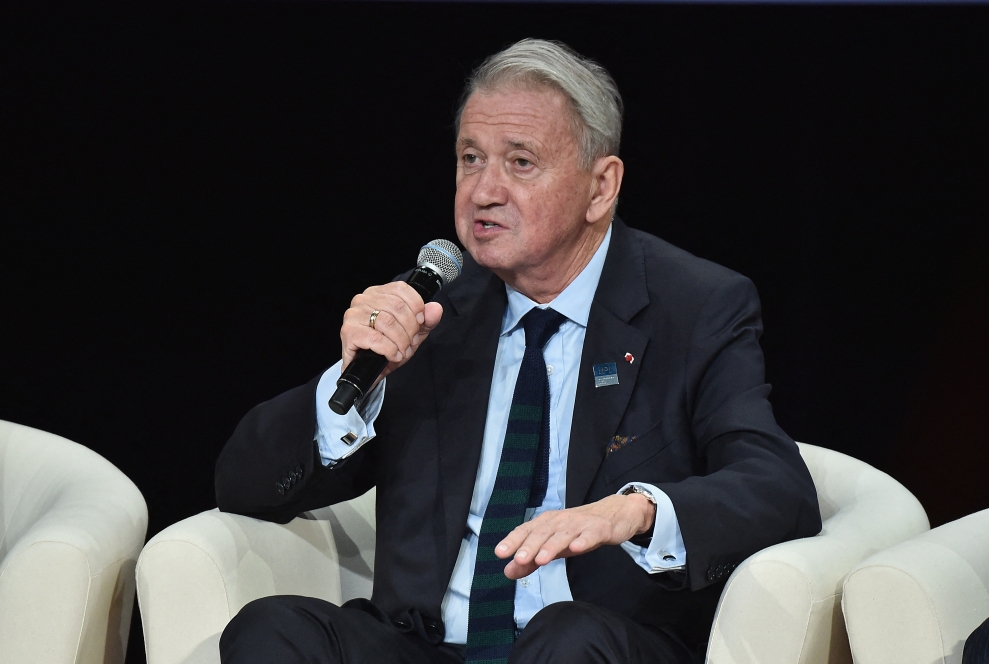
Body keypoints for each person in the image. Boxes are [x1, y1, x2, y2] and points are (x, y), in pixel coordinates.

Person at [215, 38, 822, 664]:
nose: (484, 191)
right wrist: (354, 383)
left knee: (566, 640)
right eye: (471, 158)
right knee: (271, 630)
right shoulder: (433, 309)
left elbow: (778, 488)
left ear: (600, 186)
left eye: (521, 162)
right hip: (425, 646)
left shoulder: (694, 306)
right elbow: (242, 486)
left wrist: (635, 511)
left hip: (592, 641)